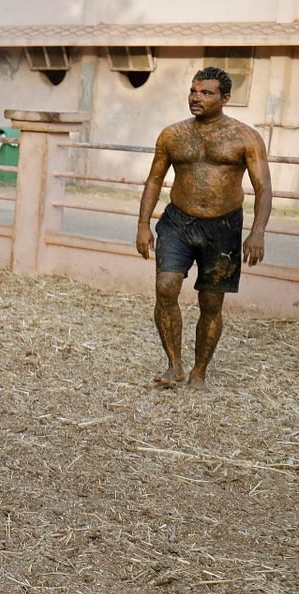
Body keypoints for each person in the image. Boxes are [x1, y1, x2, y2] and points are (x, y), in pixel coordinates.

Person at [136, 66, 270, 391]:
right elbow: (155, 179)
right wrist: (142, 224)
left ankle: (199, 371)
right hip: (177, 222)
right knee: (166, 288)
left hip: (223, 228)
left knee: (211, 304)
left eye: (206, 93)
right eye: (194, 91)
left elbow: (263, 187)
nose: (196, 98)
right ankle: (174, 364)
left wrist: (258, 231)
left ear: (225, 98)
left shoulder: (245, 137)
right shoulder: (172, 134)